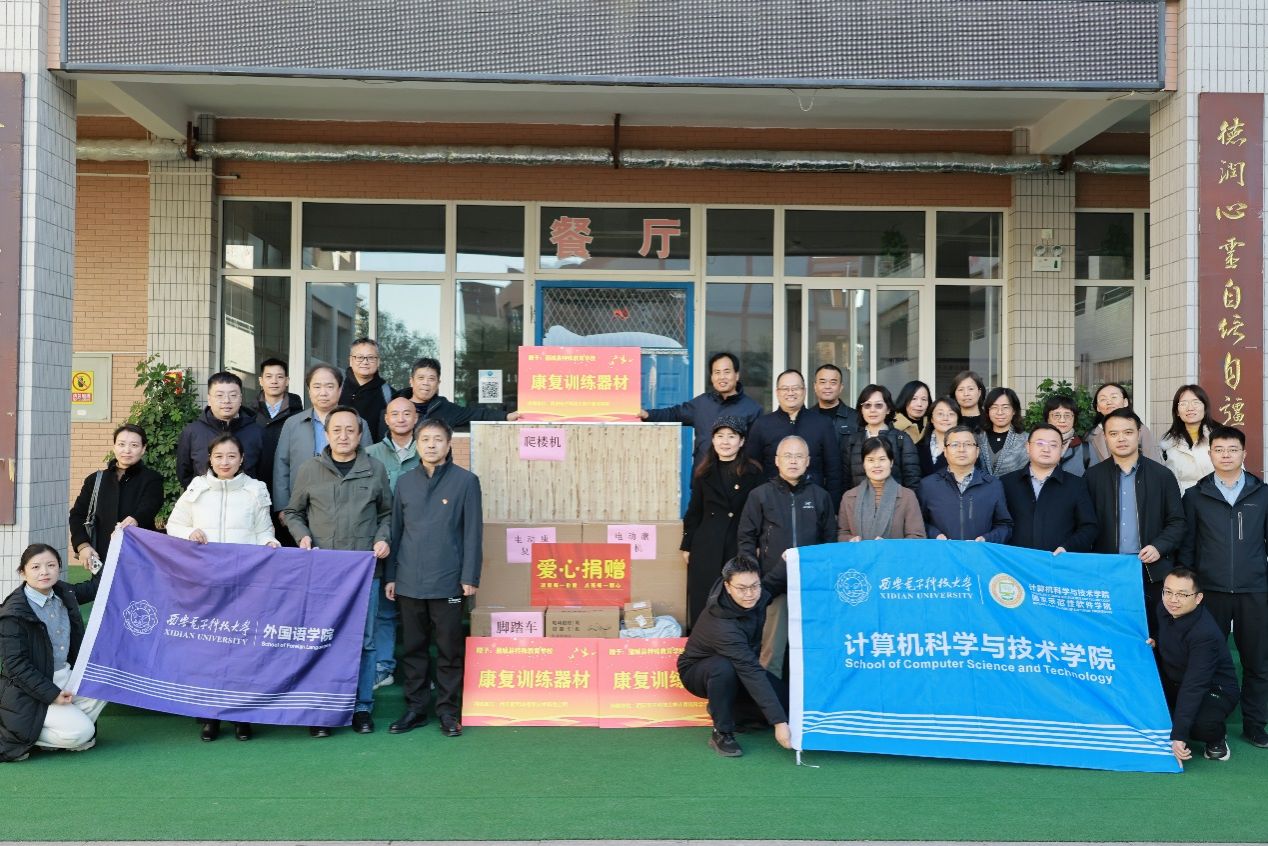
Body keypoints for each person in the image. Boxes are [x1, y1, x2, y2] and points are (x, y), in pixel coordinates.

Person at [283, 405, 392, 737]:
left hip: (364, 572)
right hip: (324, 572)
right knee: (322, 639)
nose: (343, 436)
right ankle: (322, 708)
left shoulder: (374, 469)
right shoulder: (310, 470)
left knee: (365, 642)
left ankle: (362, 707)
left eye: (350, 430)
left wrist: (383, 538)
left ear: (360, 435)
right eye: (337, 430)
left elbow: (387, 514)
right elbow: (293, 512)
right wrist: (302, 536)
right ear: (326, 434)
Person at [166, 433, 279, 743]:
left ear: (242, 459)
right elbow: (174, 525)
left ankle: (242, 716)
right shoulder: (197, 489)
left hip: (245, 583)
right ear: (210, 459)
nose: (225, 462)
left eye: (231, 456)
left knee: (243, 649)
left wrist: (270, 542)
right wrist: (190, 532)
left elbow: (263, 529)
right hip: (205, 583)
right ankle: (210, 715)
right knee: (208, 649)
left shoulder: (256, 490)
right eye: (218, 456)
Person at [385, 418, 483, 739]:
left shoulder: (465, 481)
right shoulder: (405, 482)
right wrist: (391, 576)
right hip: (409, 580)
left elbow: (472, 533)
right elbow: (396, 531)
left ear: (448, 444)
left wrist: (469, 576)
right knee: (413, 648)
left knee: (448, 649)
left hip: (448, 580)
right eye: (425, 439)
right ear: (417, 444)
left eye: (437, 439)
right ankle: (415, 709)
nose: (431, 445)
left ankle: (448, 711)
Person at [1178, 425, 1268, 749]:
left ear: (1244, 453)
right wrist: (1190, 590)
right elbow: (1188, 547)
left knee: (1258, 662)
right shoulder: (1195, 496)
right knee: (1206, 661)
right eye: (1219, 449)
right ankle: (1210, 727)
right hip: (1210, 591)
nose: (1226, 455)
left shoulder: (1262, 494)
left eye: (1232, 449)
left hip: (1254, 591)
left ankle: (1255, 725)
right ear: (1210, 454)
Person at [737, 436, 836, 681]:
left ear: (808, 461)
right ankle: (769, 703)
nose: (793, 461)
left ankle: (812, 700)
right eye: (788, 456)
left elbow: (830, 543)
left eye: (799, 456)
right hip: (774, 586)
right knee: (772, 651)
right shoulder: (760, 495)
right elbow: (746, 539)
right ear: (777, 461)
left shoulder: (820, 496)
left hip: (811, 586)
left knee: (814, 649)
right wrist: (756, 578)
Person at [676, 554, 793, 758]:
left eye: (754, 586)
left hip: (739, 667)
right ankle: (722, 732)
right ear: (728, 586)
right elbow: (750, 671)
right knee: (724, 667)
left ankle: (735, 713)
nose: (749, 594)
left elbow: (772, 584)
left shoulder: (757, 594)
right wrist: (779, 723)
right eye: (741, 588)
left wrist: (787, 559)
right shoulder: (721, 624)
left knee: (787, 703)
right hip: (699, 672)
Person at [1085, 408, 1187, 639]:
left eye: (1128, 432)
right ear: (1105, 437)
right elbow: (1085, 525)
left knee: (1155, 636)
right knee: (1111, 635)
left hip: (1151, 570)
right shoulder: (1093, 477)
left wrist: (1159, 546)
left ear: (1139, 433)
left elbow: (1177, 522)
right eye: (1114, 433)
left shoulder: (1162, 476)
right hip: (1108, 570)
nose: (1121, 438)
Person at [0, 545, 104, 762]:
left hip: (66, 675)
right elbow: (16, 666)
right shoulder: (13, 613)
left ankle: (59, 728)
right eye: (35, 567)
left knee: (105, 685)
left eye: (51, 565)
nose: (44, 572)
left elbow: (101, 585)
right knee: (83, 733)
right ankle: (21, 736)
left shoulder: (64, 593)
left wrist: (91, 557)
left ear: (59, 568)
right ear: (23, 572)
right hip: (30, 689)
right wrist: (52, 694)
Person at [680, 416, 765, 628]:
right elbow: (694, 511)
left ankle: (737, 643)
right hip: (706, 545)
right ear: (713, 440)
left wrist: (757, 544)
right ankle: (703, 642)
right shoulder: (703, 472)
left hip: (738, 543)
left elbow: (760, 513)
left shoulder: (753, 472)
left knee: (737, 596)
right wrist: (687, 545)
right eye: (720, 436)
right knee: (703, 597)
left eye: (731, 436)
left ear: (742, 441)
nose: (725, 442)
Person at [1154, 568, 1241, 764]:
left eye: (1182, 594)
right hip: (1177, 680)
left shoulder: (1205, 634)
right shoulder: (1164, 608)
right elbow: (1167, 633)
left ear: (1198, 598)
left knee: (1199, 726)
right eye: (1168, 592)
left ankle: (1217, 736)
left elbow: (1195, 685)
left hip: (1213, 688)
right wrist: (1156, 640)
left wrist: (1179, 736)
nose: (1173, 599)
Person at [68, 424, 164, 599]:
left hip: (139, 555)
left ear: (143, 449)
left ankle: (58, 597)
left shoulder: (152, 479)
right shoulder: (95, 480)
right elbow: (77, 515)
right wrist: (82, 546)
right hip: (102, 554)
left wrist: (135, 519)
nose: (127, 450)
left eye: (134, 445)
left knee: (136, 601)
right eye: (121, 444)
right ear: (114, 447)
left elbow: (150, 506)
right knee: (104, 599)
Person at [364, 397, 421, 690]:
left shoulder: (428, 450)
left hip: (419, 540)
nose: (400, 418)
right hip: (382, 538)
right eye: (394, 414)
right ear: (386, 419)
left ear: (416, 418)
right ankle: (383, 666)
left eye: (406, 413)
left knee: (420, 608)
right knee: (384, 609)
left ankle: (420, 670)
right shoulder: (370, 454)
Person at [272, 364, 371, 523]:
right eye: (317, 386)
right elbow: (281, 465)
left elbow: (367, 464)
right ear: (309, 390)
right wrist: (283, 506)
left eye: (329, 386)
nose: (323, 392)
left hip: (347, 507)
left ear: (340, 389)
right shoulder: (293, 424)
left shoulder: (358, 423)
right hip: (300, 506)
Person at [745, 370, 844, 507]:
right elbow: (752, 469)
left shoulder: (822, 423)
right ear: (777, 392)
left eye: (795, 388)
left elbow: (834, 471)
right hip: (772, 504)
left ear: (804, 391)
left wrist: (832, 508)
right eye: (785, 388)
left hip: (813, 504)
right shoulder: (762, 425)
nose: (790, 393)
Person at [641, 352, 763, 463]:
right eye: (717, 372)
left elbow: (756, 449)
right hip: (703, 475)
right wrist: (647, 415)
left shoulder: (752, 409)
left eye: (726, 372)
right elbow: (674, 414)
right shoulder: (701, 403)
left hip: (737, 476)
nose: (722, 377)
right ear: (712, 377)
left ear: (736, 375)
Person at [999, 424, 1097, 553]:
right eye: (1040, 443)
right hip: (1014, 561)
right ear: (1028, 447)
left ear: (1062, 449)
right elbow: (997, 524)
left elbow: (1089, 527)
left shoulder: (1076, 485)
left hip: (1058, 561)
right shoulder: (1006, 483)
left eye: (1053, 445)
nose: (1046, 449)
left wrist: (1068, 547)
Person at [917, 425, 1012, 543]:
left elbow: (1004, 525)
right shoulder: (928, 485)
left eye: (968, 444)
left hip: (979, 552)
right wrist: (935, 535)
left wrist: (987, 539)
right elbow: (918, 523)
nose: (961, 449)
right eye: (955, 444)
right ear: (945, 451)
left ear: (977, 451)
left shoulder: (992, 485)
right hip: (941, 551)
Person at [175, 372, 265, 489]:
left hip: (247, 499)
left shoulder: (257, 432)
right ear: (209, 399)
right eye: (219, 395)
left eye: (233, 395)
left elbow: (264, 473)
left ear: (241, 398)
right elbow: (184, 473)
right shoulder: (192, 432)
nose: (226, 400)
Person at [252, 358, 304, 546]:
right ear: (261, 381)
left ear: (287, 380)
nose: (274, 381)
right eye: (269, 376)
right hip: (257, 489)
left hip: (290, 491)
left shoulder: (299, 415)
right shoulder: (249, 414)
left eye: (279, 377)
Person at [837, 437, 925, 541]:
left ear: (891, 462)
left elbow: (917, 537)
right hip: (859, 552)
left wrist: (890, 546)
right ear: (864, 464)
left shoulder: (907, 496)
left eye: (882, 459)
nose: (876, 465)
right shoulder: (849, 497)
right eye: (870, 460)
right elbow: (842, 533)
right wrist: (850, 540)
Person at [403, 357, 519, 430]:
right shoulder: (397, 406)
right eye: (421, 378)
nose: (426, 383)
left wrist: (506, 416)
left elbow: (479, 414)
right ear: (411, 381)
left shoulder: (446, 408)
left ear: (438, 383)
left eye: (431, 379)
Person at [841, 384, 921, 489]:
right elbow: (845, 482)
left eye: (878, 405)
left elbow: (912, 481)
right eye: (867, 405)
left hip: (895, 499)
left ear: (888, 409)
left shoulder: (901, 439)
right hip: (859, 499)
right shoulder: (851, 440)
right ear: (861, 410)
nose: (872, 410)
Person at [1159, 384, 1216, 494]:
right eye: (1183, 404)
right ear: (1177, 411)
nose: (1190, 408)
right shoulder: (1166, 442)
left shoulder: (1220, 436)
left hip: (1215, 499)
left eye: (1196, 402)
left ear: (1205, 408)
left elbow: (1236, 473)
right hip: (1181, 501)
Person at [1085, 382, 1161, 464]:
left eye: (1114, 397)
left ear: (1125, 402)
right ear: (1097, 407)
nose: (1109, 402)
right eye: (1103, 399)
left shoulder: (1141, 430)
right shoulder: (1091, 435)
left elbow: (1153, 462)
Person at [340, 338, 394, 442]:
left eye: (371, 357)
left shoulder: (388, 394)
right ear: (350, 360)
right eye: (359, 357)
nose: (365, 362)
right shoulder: (337, 388)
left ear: (378, 362)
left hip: (374, 451)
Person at [808, 363, 861, 457]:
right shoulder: (806, 417)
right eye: (823, 382)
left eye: (833, 382)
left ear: (841, 387)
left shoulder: (856, 418)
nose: (827, 386)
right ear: (815, 386)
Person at [976, 387, 1028, 478]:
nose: (1000, 412)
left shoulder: (1026, 440)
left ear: (1014, 410)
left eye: (1005, 407)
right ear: (988, 411)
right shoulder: (977, 438)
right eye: (994, 407)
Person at [1044, 394, 1095, 477]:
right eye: (1056, 415)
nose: (1062, 420)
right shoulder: (1036, 444)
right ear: (1047, 418)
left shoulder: (1086, 449)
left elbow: (1095, 480)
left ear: (1074, 419)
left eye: (1067, 415)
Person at [916, 396, 960, 478]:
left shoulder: (967, 446)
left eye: (951, 414)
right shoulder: (917, 447)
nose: (945, 418)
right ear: (932, 419)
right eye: (940, 414)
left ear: (958, 419)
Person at [892, 380, 932, 445]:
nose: (919, 404)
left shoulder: (933, 425)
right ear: (904, 400)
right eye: (914, 399)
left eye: (924, 399)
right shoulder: (892, 425)